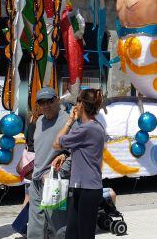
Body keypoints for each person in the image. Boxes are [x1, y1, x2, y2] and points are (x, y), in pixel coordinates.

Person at [52, 89, 106, 239]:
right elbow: (82, 150)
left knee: (84, 235)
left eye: (77, 102)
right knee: (72, 234)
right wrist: (64, 155)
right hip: (82, 187)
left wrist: (70, 121)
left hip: (88, 189)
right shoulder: (95, 126)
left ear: (81, 104)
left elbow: (56, 143)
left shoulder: (86, 129)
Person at [28, 88, 70, 239]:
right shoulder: (39, 121)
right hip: (36, 181)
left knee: (58, 228)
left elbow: (77, 152)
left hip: (53, 181)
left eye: (49, 101)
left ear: (57, 99)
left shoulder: (68, 121)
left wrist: (60, 172)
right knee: (34, 228)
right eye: (41, 103)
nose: (46, 106)